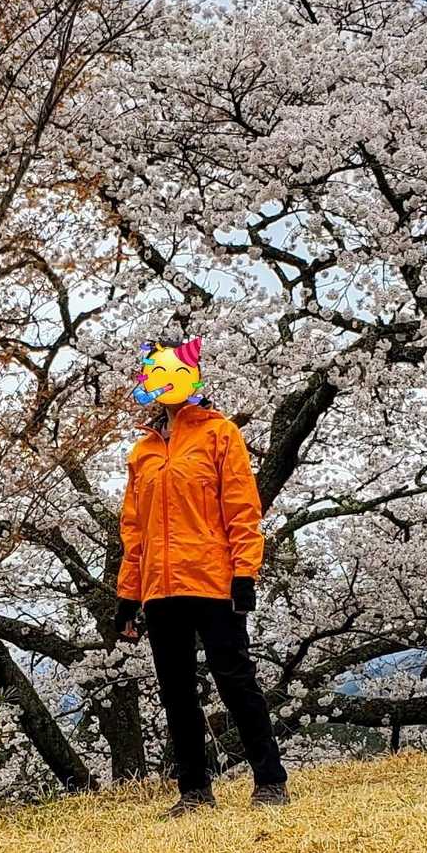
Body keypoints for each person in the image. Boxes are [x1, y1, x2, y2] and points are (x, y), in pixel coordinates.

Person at [114, 337, 290, 816]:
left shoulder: (219, 434)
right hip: (159, 587)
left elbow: (242, 508)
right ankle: (193, 791)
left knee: (235, 679)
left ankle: (270, 780)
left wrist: (245, 572)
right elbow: (134, 528)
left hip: (213, 579)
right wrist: (128, 594)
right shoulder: (142, 452)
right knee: (175, 691)